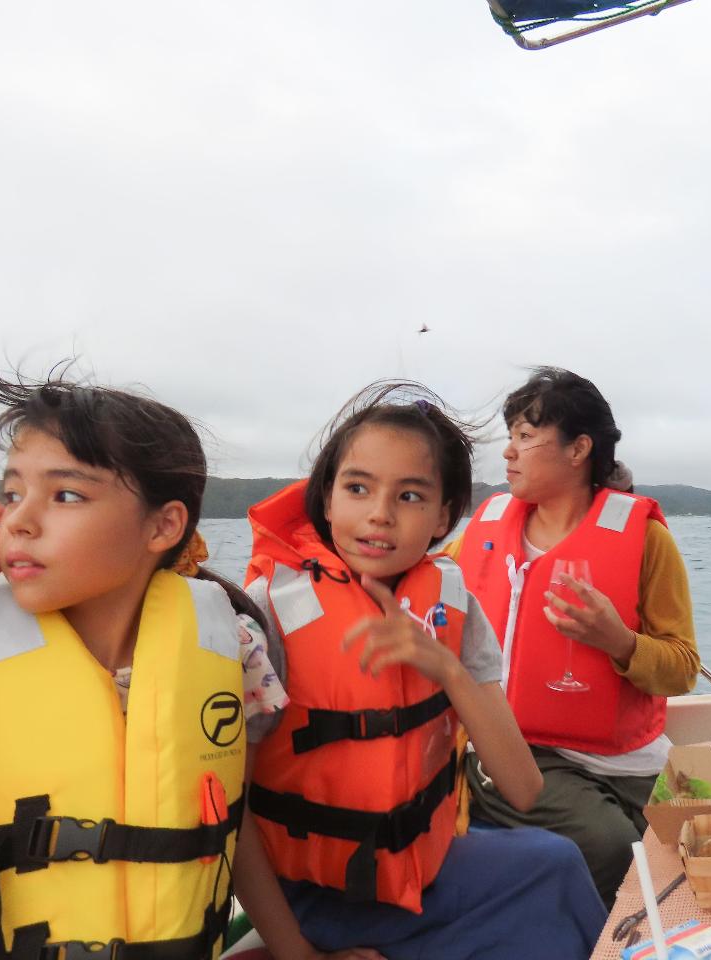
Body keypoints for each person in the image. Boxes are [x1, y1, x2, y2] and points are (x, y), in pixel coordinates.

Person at [0, 358, 358, 960]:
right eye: (11, 492)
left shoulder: (234, 648)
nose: (18, 520)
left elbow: (227, 824)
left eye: (65, 494)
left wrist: (297, 954)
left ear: (163, 526)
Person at [241, 382, 609, 959]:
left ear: (443, 516)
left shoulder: (453, 603)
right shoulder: (270, 611)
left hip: (419, 870)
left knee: (556, 863)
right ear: (328, 500)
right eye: (358, 488)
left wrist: (448, 670)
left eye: (410, 496)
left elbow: (523, 787)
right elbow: (229, 816)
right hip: (313, 893)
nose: (380, 515)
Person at [447, 367, 700, 908]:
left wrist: (620, 642)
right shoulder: (480, 534)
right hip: (515, 746)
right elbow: (418, 589)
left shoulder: (647, 540)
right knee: (616, 847)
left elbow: (682, 668)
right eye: (510, 437)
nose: (509, 454)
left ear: (579, 448)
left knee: (700, 843)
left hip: (629, 754)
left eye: (524, 437)